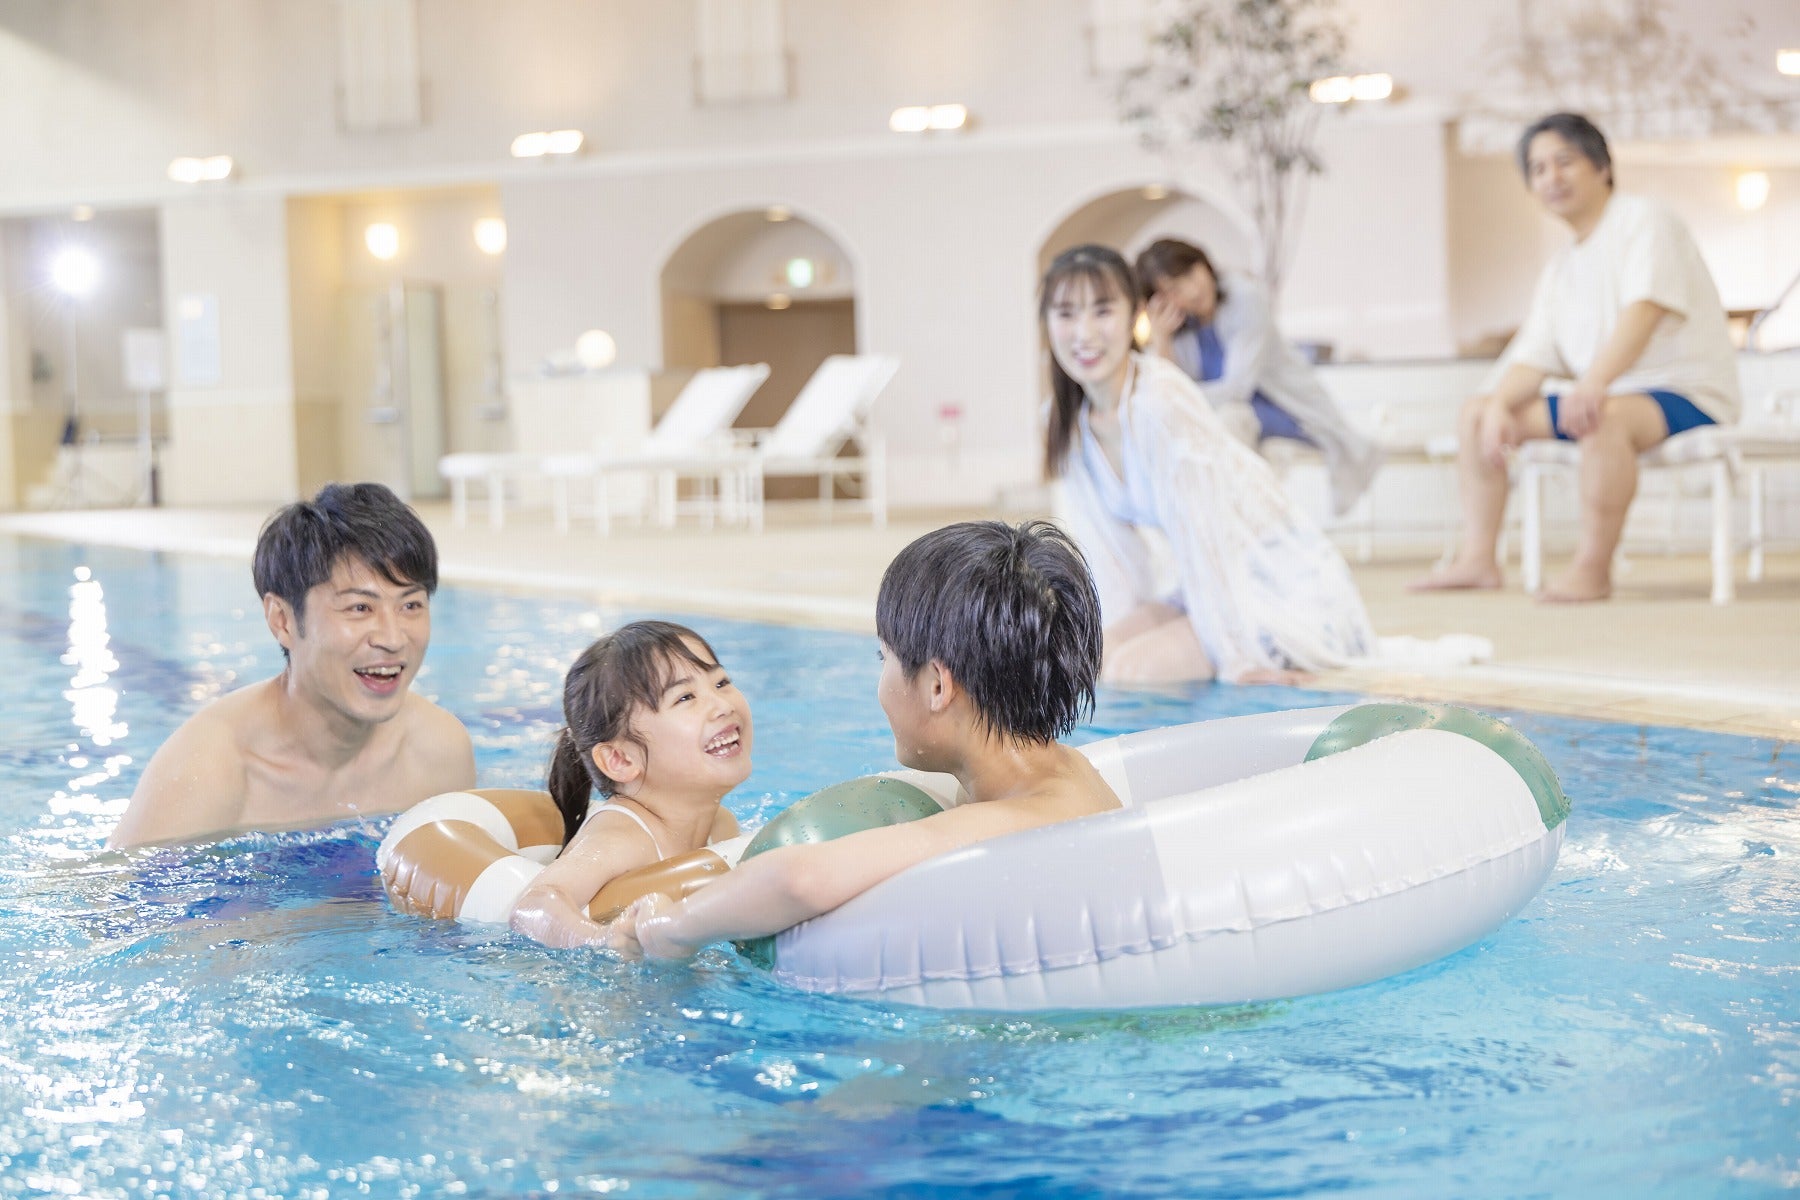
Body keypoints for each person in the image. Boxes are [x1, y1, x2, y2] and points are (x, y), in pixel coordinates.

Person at [609, 520, 1120, 961]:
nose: (880, 682)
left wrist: (669, 930)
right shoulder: (1066, 772)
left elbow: (797, 879)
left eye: (884, 659)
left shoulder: (1012, 821)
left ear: (937, 686)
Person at [1411, 112, 1740, 602]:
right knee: (1477, 415)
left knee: (1602, 417)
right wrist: (1498, 404)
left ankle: (1592, 569)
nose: (1552, 178)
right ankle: (1478, 559)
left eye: (1564, 161)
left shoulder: (1645, 220)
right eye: (1538, 169)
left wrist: (1593, 383)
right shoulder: (1561, 267)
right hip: (1604, 396)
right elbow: (1533, 355)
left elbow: (1645, 309)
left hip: (1686, 394)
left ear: (1602, 166)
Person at [1042, 244, 1375, 685]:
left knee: (1130, 670)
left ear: (1134, 314)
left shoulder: (1161, 400)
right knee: (1093, 663)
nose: (1084, 333)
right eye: (1066, 314)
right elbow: (1113, 562)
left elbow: (1209, 536)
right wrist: (1117, 631)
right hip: (1206, 586)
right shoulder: (1067, 423)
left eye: (1102, 311)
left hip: (1276, 584)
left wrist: (1238, 659)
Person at [108, 483, 475, 848]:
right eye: (360, 608)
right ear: (282, 620)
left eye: (411, 605)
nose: (393, 639)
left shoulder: (438, 753)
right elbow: (124, 885)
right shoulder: (206, 772)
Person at [510, 621, 746, 948]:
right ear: (620, 759)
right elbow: (533, 906)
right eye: (685, 697)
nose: (724, 705)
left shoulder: (721, 825)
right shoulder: (623, 838)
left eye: (721, 682)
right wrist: (603, 941)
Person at [1136, 237, 1384, 516]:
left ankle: (1234, 519)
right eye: (1174, 289)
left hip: (1285, 410)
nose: (1192, 290)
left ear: (1204, 264)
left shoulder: (1244, 297)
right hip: (1228, 415)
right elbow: (1168, 394)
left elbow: (1235, 390)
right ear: (1159, 301)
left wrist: (1183, 397)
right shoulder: (1183, 328)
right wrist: (1162, 341)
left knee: (1228, 421)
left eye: (1191, 274)